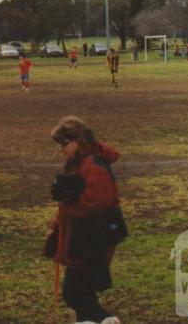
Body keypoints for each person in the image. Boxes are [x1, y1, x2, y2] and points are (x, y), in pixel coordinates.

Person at [46, 116, 124, 324]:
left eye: (63, 144)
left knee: (74, 291)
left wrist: (70, 200)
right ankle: (96, 320)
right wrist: (56, 225)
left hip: (95, 234)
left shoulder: (93, 165)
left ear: (77, 141)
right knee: (81, 291)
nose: (61, 150)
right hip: (84, 233)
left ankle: (106, 320)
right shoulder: (79, 163)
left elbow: (97, 203)